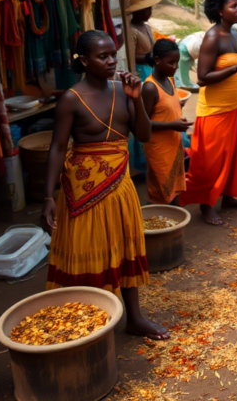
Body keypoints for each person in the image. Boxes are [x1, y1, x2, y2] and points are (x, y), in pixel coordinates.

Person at [40, 30, 168, 340]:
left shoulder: (123, 91)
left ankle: (134, 318)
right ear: (84, 61)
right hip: (84, 190)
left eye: (113, 54)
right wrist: (47, 197)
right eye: (103, 56)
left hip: (120, 185)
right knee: (88, 249)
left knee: (125, 248)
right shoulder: (71, 99)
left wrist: (136, 98)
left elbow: (144, 135)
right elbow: (57, 147)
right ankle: (90, 320)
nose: (112, 61)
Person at [181, 0, 237, 225]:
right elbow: (202, 78)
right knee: (210, 161)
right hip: (214, 110)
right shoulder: (213, 37)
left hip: (234, 106)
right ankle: (206, 205)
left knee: (234, 155)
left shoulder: (235, 34)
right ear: (219, 10)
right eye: (234, 6)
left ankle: (229, 197)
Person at [141, 39, 193, 205]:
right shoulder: (150, 87)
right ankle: (160, 215)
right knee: (162, 190)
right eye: (171, 62)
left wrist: (178, 116)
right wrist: (172, 124)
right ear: (157, 60)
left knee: (174, 187)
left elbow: (166, 109)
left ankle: (174, 214)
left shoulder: (170, 80)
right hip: (159, 147)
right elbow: (143, 123)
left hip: (173, 143)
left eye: (177, 62)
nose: (175, 67)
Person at [126, 0, 165, 171]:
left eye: (150, 8)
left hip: (151, 69)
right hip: (141, 72)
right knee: (144, 110)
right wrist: (150, 58)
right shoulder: (131, 30)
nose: (149, 12)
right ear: (136, 11)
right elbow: (131, 55)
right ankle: (142, 159)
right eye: (145, 9)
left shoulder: (147, 27)